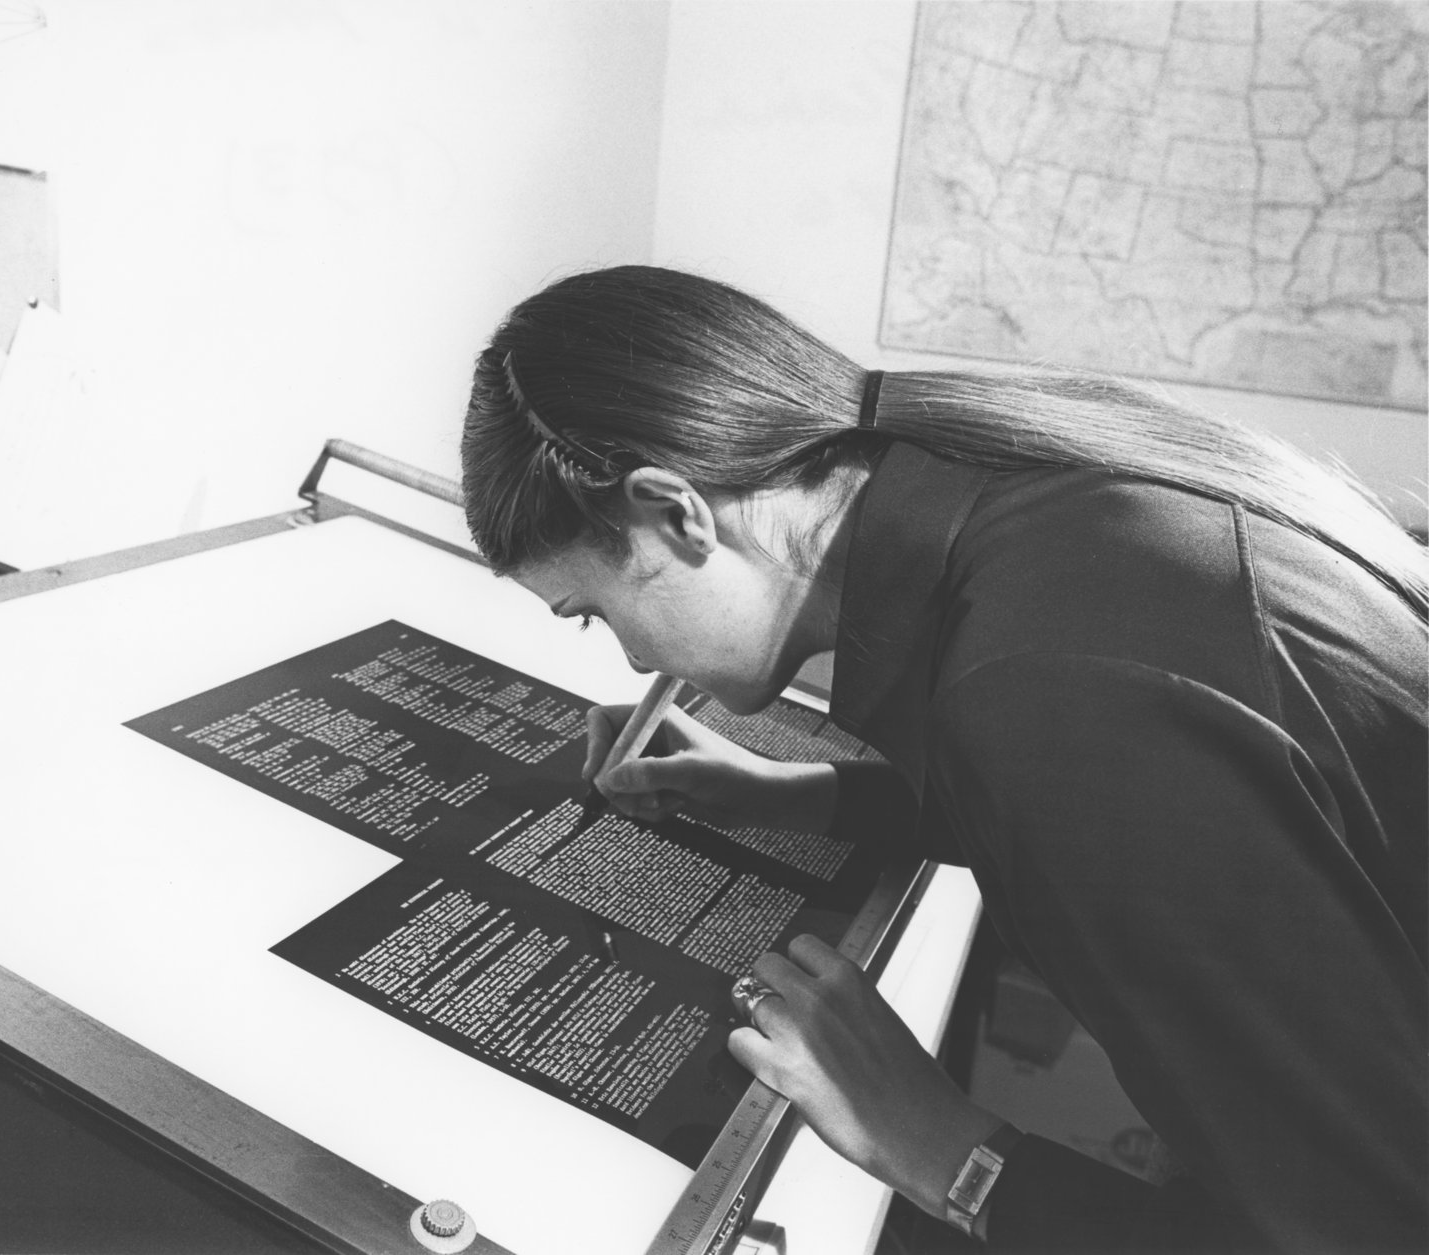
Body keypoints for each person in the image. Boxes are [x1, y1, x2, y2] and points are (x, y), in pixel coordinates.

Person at [459, 265, 1428, 1253]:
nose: (632, 657)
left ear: (674, 513)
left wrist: (939, 1146)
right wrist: (791, 792)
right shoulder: (1020, 502)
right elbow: (1151, 825)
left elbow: (1368, 1227)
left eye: (595, 612)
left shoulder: (1052, 697)